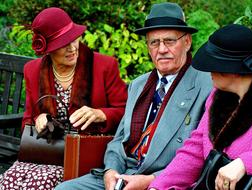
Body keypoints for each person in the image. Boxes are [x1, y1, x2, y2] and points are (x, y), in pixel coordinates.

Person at [55, 2, 212, 190]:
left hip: (166, 181)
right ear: (148, 47)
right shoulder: (138, 85)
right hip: (124, 175)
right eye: (154, 42)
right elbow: (118, 140)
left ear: (187, 42)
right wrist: (110, 171)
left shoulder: (207, 85)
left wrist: (151, 180)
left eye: (169, 41)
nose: (161, 49)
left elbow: (203, 155)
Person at [149, 24, 252, 190]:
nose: (208, 70)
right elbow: (194, 151)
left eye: (214, 63)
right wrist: (158, 186)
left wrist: (247, 163)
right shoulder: (216, 96)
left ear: (233, 69)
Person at [0, 7, 127, 189]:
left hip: (83, 156)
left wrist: (100, 114)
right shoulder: (33, 70)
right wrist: (39, 118)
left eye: (74, 38)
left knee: (40, 184)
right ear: (48, 49)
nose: (72, 48)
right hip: (45, 151)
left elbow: (126, 113)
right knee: (9, 181)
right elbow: (27, 120)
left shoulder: (104, 66)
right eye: (62, 44)